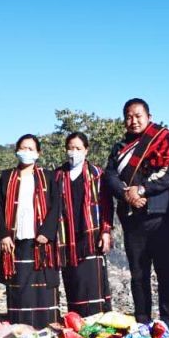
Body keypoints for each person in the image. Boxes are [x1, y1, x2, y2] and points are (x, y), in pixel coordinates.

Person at [104, 98, 169, 330]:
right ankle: (142, 320)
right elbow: (110, 176)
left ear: (149, 116)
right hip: (132, 218)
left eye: (138, 115)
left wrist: (142, 190)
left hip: (160, 217)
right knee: (138, 274)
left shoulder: (166, 140)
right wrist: (125, 193)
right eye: (129, 116)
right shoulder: (119, 147)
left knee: (165, 271)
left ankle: (168, 321)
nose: (134, 120)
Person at [0, 134, 61, 328]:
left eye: (31, 149)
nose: (26, 152)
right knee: (19, 285)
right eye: (23, 148)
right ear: (16, 151)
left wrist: (47, 231)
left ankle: (46, 327)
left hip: (41, 240)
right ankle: (19, 327)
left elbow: (56, 206)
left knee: (42, 287)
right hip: (15, 241)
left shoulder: (48, 176)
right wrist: (3, 234)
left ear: (38, 153)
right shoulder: (7, 177)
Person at [55, 131, 113, 317]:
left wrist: (105, 231)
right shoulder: (57, 176)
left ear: (86, 150)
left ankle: (98, 320)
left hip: (91, 235)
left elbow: (106, 205)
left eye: (78, 148)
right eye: (71, 148)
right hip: (67, 236)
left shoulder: (97, 175)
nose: (74, 152)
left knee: (93, 281)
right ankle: (77, 321)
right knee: (74, 281)